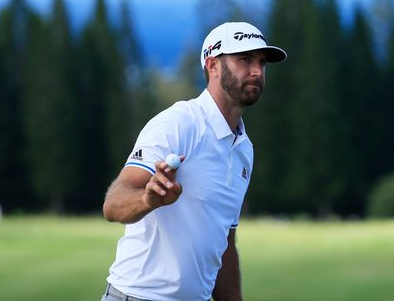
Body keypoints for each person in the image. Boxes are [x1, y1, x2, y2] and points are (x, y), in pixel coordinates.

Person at [101, 22, 286, 301]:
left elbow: (223, 243)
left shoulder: (244, 149)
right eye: (244, 60)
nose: (257, 71)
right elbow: (113, 204)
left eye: (261, 62)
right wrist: (148, 200)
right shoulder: (178, 123)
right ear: (213, 66)